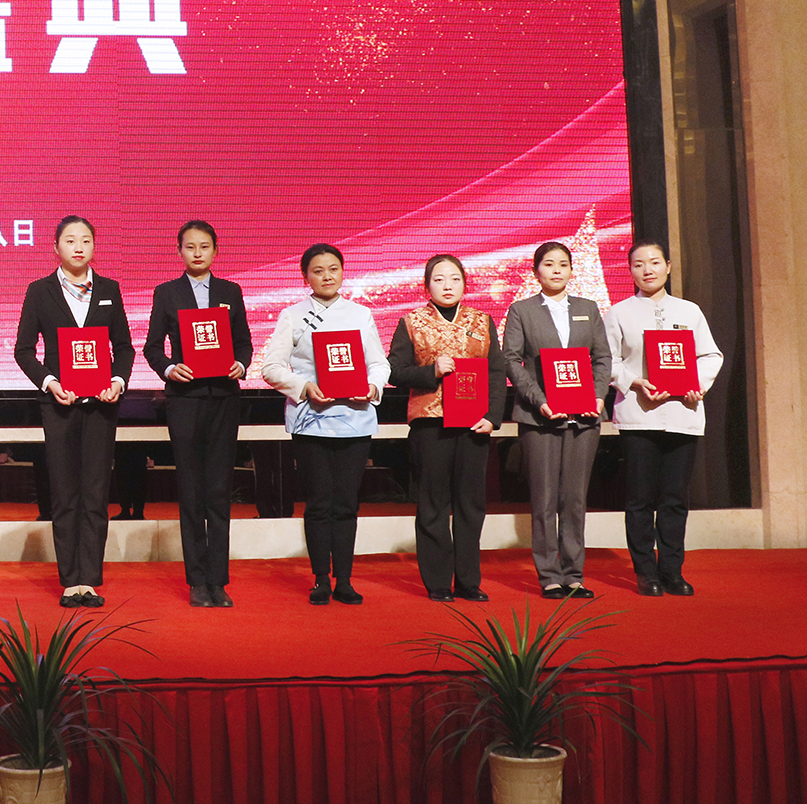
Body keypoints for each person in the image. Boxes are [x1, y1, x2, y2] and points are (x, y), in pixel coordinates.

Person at [14, 216, 135, 608]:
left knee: (96, 493)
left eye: (85, 240)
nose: (78, 247)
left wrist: (117, 381)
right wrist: (50, 382)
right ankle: (70, 581)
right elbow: (23, 350)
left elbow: (124, 347)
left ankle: (90, 580)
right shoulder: (40, 291)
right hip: (59, 405)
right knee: (65, 493)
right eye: (70, 240)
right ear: (56, 247)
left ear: (94, 246)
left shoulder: (109, 290)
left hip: (102, 405)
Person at [260, 243, 387, 605]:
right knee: (318, 503)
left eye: (333, 269)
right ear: (306, 277)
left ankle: (344, 579)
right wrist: (303, 387)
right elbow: (271, 367)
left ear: (342, 272)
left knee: (346, 503)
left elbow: (379, 364)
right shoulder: (292, 315)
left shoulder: (361, 314)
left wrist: (372, 387)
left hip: (355, 421)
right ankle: (320, 579)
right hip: (310, 421)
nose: (327, 276)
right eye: (318, 271)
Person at [142, 219, 253, 608]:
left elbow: (244, 343)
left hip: (223, 397)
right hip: (185, 400)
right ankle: (196, 581)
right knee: (190, 489)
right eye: (190, 247)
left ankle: (218, 580)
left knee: (219, 489)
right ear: (179, 252)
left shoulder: (230, 292)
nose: (197, 253)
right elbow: (152, 347)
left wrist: (241, 363)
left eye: (204, 246)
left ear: (215, 251)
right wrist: (170, 368)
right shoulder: (167, 293)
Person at [386, 254, 508, 602]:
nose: (447, 285)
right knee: (433, 503)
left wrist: (493, 416)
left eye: (454, 278)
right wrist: (431, 371)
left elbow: (496, 371)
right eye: (438, 279)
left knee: (471, 504)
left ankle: (469, 581)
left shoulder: (482, 321)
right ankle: (438, 582)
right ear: (427, 286)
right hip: (431, 424)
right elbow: (395, 371)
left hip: (474, 424)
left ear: (465, 283)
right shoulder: (411, 322)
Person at [605, 239, 721, 596]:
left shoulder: (689, 311)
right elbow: (607, 361)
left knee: (674, 498)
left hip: (682, 413)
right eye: (639, 264)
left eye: (655, 262)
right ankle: (645, 572)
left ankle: (672, 570)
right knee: (640, 499)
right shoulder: (619, 313)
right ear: (630, 271)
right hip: (639, 416)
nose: (648, 270)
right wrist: (635, 382)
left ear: (668, 267)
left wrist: (696, 386)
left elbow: (710, 356)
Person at [503, 241, 610, 599]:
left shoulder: (587, 308)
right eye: (549, 264)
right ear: (536, 271)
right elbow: (511, 360)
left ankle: (574, 574)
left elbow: (602, 357)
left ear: (572, 270)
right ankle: (549, 574)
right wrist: (541, 400)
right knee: (545, 498)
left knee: (575, 498)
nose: (556, 270)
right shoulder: (521, 310)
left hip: (585, 416)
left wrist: (598, 396)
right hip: (540, 417)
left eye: (563, 264)